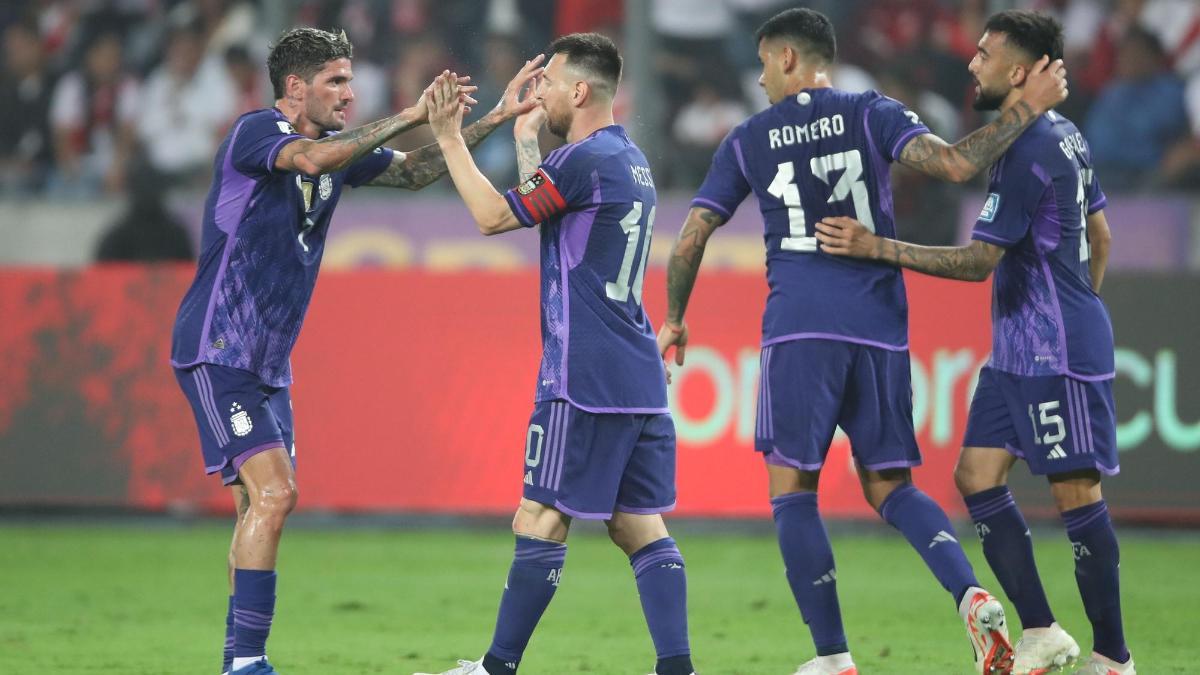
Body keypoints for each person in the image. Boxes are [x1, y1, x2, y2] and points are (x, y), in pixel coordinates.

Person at [656, 8, 1067, 675]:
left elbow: (695, 233)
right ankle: (970, 592)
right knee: (890, 486)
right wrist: (1027, 111)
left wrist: (675, 314)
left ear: (790, 59)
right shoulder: (873, 111)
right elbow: (960, 163)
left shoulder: (748, 137)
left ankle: (833, 656)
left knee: (792, 489)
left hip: (799, 328)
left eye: (763, 63)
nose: (759, 80)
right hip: (879, 327)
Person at [168, 27, 543, 675]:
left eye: (350, 79)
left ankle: (238, 659)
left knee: (256, 505)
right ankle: (248, 662)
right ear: (295, 87)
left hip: (267, 363)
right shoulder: (256, 133)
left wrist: (491, 120)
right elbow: (312, 163)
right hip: (217, 347)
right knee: (276, 495)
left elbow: (419, 172)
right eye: (336, 81)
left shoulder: (339, 153)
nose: (350, 92)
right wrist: (409, 113)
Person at [814, 10, 1133, 675]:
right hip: (1019, 350)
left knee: (1077, 492)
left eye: (984, 55)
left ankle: (1114, 657)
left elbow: (977, 261)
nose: (971, 63)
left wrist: (878, 247)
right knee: (975, 476)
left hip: (1056, 352)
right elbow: (1100, 236)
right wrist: (1079, 301)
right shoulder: (1064, 134)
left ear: (1018, 72)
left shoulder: (1031, 148)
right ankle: (1041, 629)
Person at [416, 33, 696, 675]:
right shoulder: (624, 158)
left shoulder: (584, 159)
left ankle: (495, 668)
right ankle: (677, 669)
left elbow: (493, 218)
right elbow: (547, 209)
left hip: (584, 374)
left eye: (548, 82)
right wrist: (522, 138)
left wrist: (452, 136)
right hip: (637, 376)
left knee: (539, 516)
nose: (537, 90)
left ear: (578, 90)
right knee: (636, 525)